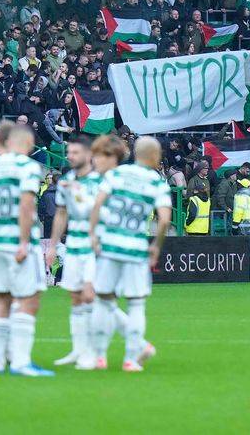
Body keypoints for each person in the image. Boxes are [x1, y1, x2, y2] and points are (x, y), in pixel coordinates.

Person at [0, 123, 51, 377]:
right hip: (17, 242)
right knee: (29, 299)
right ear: (26, 144)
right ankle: (20, 362)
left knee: (2, 299)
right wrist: (25, 242)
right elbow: (27, 206)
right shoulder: (27, 166)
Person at [88, 136, 172, 372]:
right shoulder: (157, 182)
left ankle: (99, 357)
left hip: (110, 243)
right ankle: (131, 360)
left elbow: (97, 204)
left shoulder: (117, 174)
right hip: (135, 248)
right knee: (136, 304)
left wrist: (93, 235)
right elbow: (165, 219)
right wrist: (156, 245)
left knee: (104, 301)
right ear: (155, 156)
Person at [48, 135, 103, 370]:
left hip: (95, 247)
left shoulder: (101, 182)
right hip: (74, 246)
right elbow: (61, 213)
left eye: (75, 152)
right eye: (69, 152)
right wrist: (52, 245)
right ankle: (78, 350)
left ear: (89, 155)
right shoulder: (66, 181)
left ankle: (92, 353)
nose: (70, 156)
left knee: (90, 296)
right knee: (75, 297)